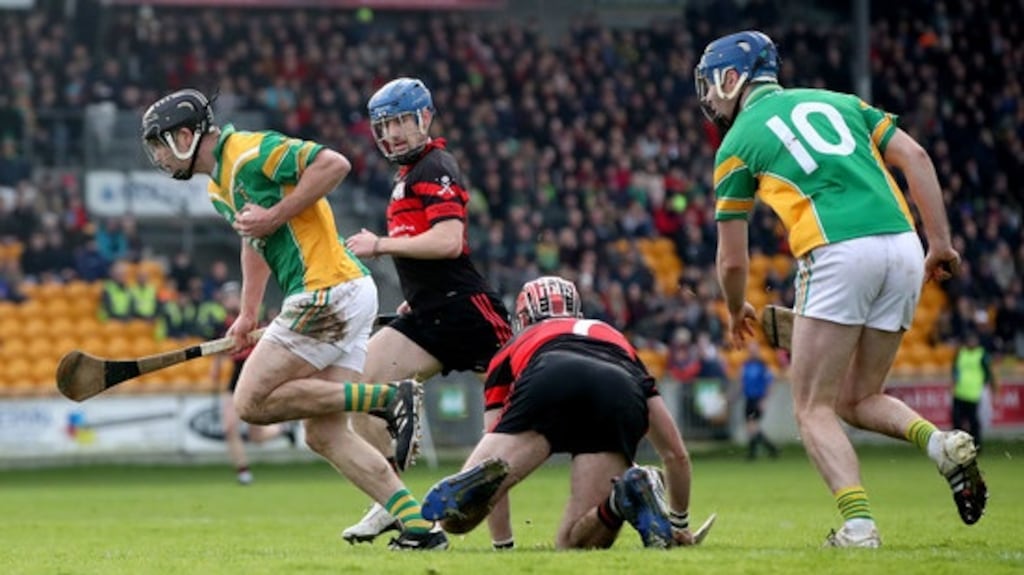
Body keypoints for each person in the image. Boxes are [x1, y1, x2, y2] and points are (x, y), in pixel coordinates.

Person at [697, 31, 988, 547]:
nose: (709, 97)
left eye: (711, 83)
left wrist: (736, 304)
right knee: (858, 397)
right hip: (903, 245)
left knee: (811, 406)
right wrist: (939, 242)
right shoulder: (842, 101)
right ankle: (939, 444)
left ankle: (858, 526)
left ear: (731, 78)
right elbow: (916, 156)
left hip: (835, 248)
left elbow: (732, 258)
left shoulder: (735, 143)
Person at [141, 88, 447, 550]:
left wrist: (275, 215)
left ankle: (385, 398)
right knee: (323, 434)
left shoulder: (248, 151)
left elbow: (334, 164)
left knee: (250, 402)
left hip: (326, 289)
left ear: (187, 135)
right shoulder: (218, 185)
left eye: (162, 143)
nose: (160, 156)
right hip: (342, 291)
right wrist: (247, 313)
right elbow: (255, 241)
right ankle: (420, 527)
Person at [341, 77, 513, 543]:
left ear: (424, 119)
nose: (393, 133)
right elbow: (422, 250)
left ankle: (508, 544)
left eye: (400, 121)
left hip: (467, 312)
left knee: (517, 419)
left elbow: (448, 241)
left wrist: (379, 245)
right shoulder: (406, 176)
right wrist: (414, 292)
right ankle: (390, 502)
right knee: (361, 385)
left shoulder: (435, 165)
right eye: (384, 125)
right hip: (429, 313)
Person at [420, 276, 700, 550]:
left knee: (457, 516)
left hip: (550, 373)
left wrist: (503, 545)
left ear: (524, 315)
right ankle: (627, 493)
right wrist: (679, 523)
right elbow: (676, 454)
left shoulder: (513, 347)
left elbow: (493, 434)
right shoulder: (614, 336)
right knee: (574, 541)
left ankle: (477, 489)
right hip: (619, 385)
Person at [209, 282, 294, 485]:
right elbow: (219, 352)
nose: (230, 301)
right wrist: (216, 369)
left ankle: (284, 430)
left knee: (256, 436)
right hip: (235, 377)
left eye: (233, 296)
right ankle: (243, 471)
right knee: (230, 427)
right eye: (226, 297)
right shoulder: (222, 325)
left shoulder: (256, 320)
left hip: (254, 374)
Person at [951, 331, 999, 452]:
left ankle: (976, 446)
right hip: (960, 391)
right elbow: (955, 370)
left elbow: (989, 372)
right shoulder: (961, 353)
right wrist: (953, 383)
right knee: (956, 420)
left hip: (974, 393)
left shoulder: (982, 354)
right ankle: (956, 446)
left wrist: (992, 387)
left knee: (973, 422)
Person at [740, 341, 779, 460]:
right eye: (750, 350)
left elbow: (770, 383)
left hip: (758, 399)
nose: (752, 352)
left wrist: (764, 400)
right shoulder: (746, 365)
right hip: (748, 399)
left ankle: (765, 450)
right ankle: (766, 450)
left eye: (754, 350)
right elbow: (742, 383)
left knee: (753, 426)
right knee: (750, 427)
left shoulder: (763, 365)